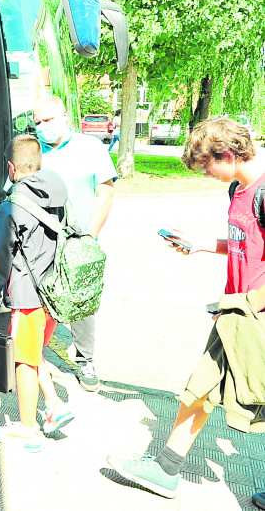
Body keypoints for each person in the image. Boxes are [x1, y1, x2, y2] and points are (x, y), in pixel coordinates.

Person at [107, 116, 265, 501]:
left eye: (207, 165)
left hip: (251, 315)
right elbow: (246, 242)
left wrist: (246, 307)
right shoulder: (238, 190)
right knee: (203, 386)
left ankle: (165, 468)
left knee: (222, 390)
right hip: (237, 313)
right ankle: (166, 468)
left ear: (228, 153)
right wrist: (202, 244)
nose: (206, 174)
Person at [0, 135, 75, 451]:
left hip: (28, 295)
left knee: (24, 359)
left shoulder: (11, 207)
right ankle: (54, 405)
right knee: (35, 353)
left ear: (10, 167)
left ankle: (28, 429)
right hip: (55, 292)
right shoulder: (58, 188)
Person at [33, 95, 116, 391]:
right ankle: (33, 358)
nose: (44, 127)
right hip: (40, 243)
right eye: (38, 122)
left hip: (80, 242)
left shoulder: (90, 147)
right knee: (38, 301)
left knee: (82, 300)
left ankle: (85, 360)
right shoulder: (32, 150)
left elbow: (105, 193)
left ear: (65, 116)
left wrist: (89, 238)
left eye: (49, 120)